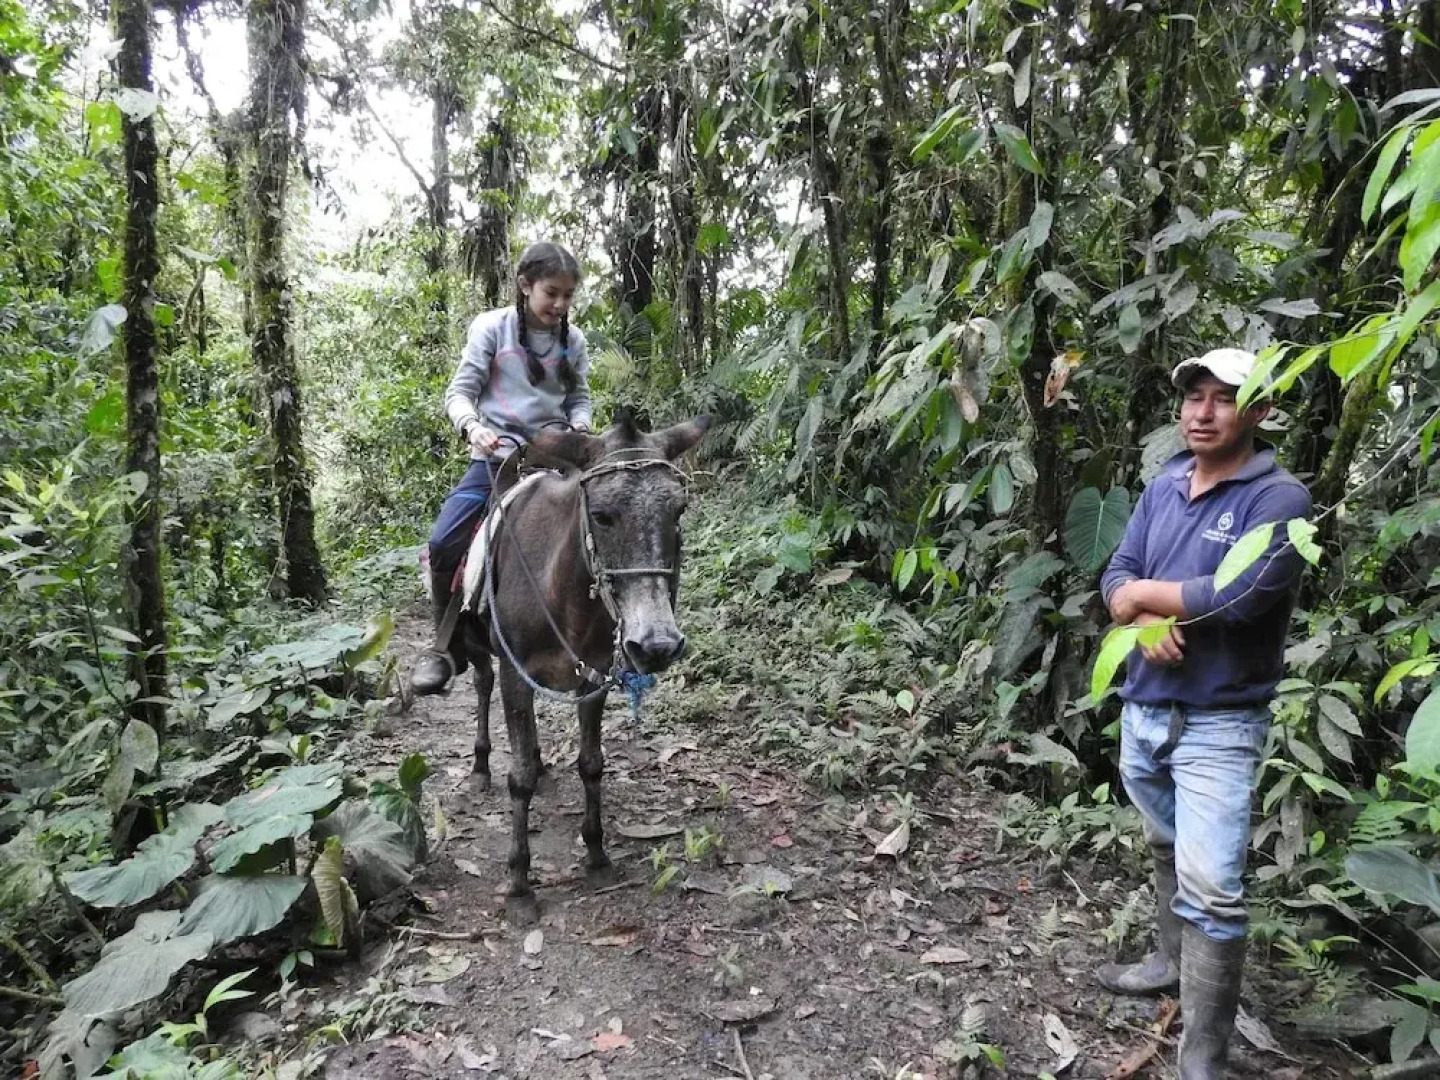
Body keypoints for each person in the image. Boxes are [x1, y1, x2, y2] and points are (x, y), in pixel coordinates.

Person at [1096, 347, 1313, 1079]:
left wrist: (1140, 598)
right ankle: (1167, 961)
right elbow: (1117, 572)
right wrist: (1140, 615)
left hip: (1220, 719)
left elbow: (1241, 594)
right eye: (1195, 397)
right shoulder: (1163, 485)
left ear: (1260, 411)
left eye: (1225, 398)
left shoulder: (1277, 499)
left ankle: (1202, 1062)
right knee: (1164, 845)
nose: (1204, 412)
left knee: (1214, 890)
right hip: (1145, 706)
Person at [410, 241, 593, 696]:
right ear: (525, 285)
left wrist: (580, 425)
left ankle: (605, 636)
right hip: (498, 462)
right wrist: (472, 427)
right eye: (551, 292)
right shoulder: (492, 328)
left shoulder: (573, 341)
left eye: (568, 295)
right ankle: (446, 646)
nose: (560, 304)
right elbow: (460, 392)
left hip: (557, 460)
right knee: (444, 542)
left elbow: (579, 397)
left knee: (604, 523)